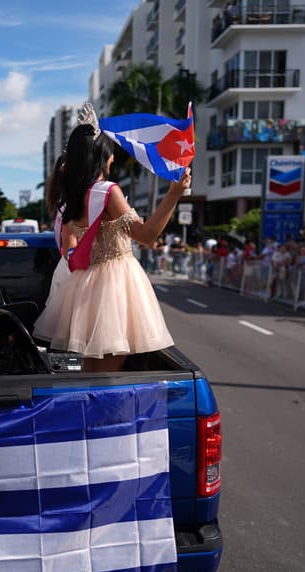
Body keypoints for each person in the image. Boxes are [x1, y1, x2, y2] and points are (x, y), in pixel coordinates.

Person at [33, 103, 190, 372]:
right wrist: (174, 194)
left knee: (89, 369)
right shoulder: (108, 192)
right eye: (110, 154)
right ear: (101, 157)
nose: (113, 159)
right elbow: (147, 236)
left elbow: (69, 249)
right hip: (116, 284)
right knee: (109, 371)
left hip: (84, 285)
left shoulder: (72, 197)